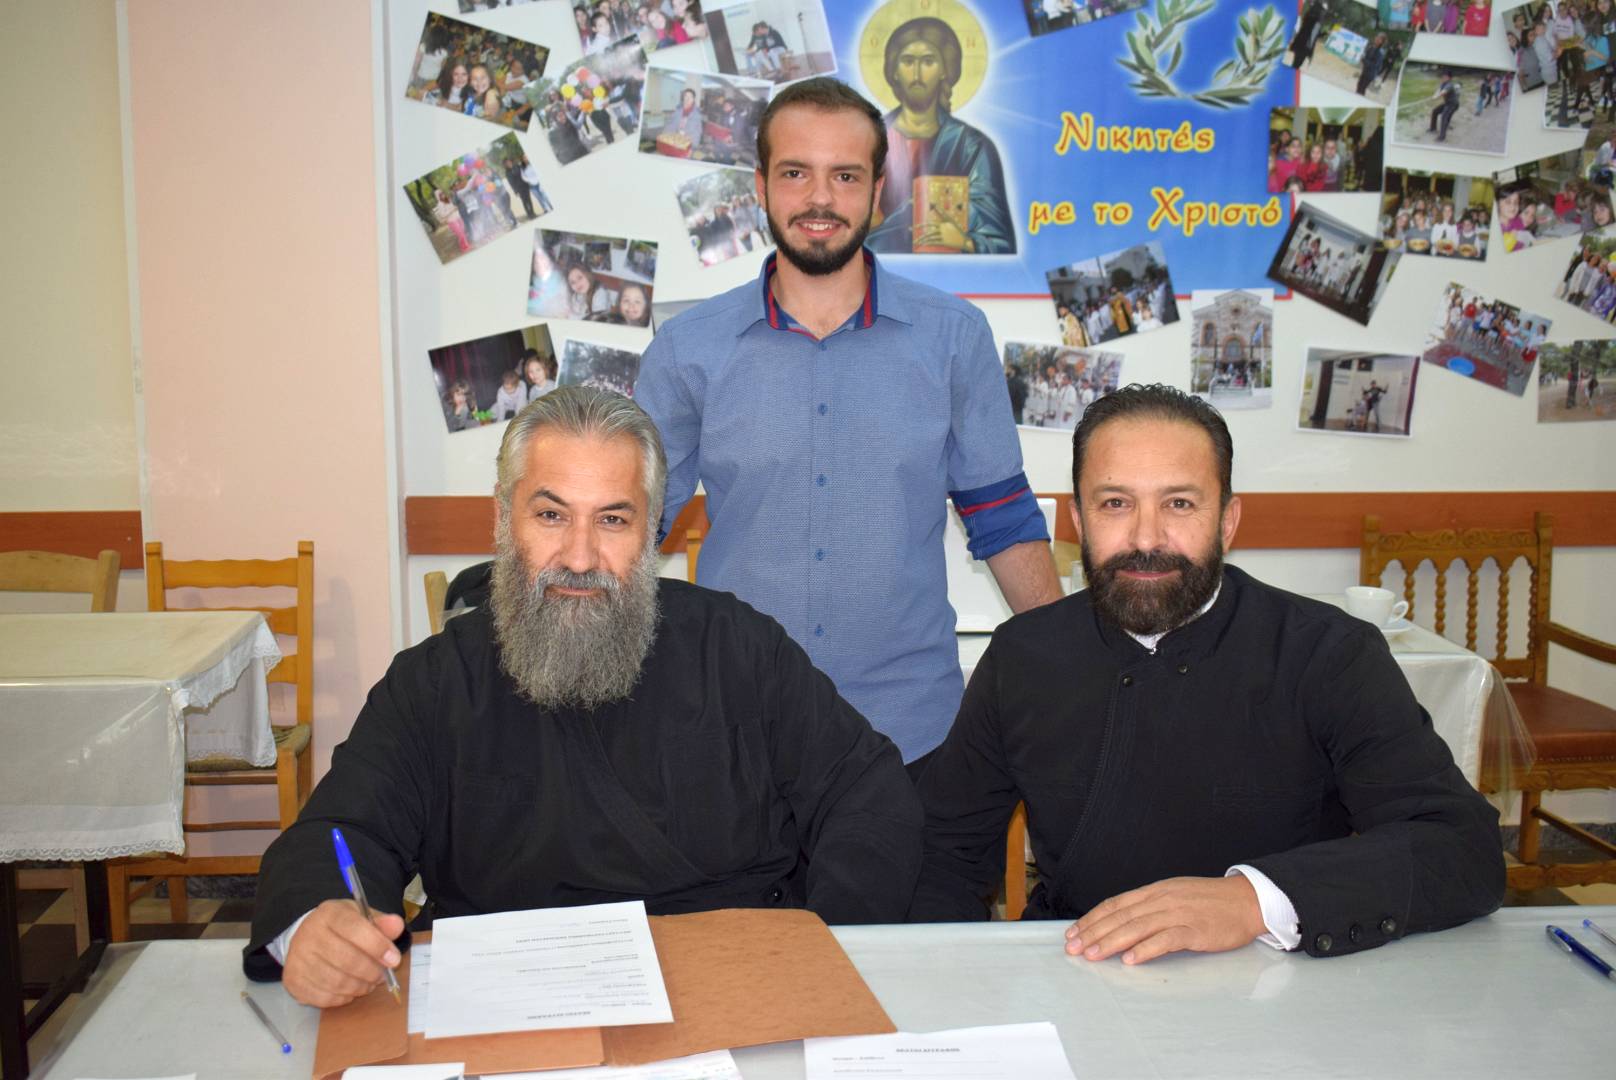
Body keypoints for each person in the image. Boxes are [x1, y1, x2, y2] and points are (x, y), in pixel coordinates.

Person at [246, 388, 922, 1004]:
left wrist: (827, 947)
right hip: (505, 1000)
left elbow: (865, 791)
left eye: (613, 520)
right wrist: (319, 922)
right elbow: (343, 830)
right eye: (550, 515)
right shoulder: (436, 682)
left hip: (731, 983)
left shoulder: (735, 649)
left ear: (652, 530)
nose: (578, 556)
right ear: (504, 517)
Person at [909, 384, 1505, 963]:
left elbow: (1461, 849)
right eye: (1115, 503)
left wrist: (1254, 900)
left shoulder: (1329, 653)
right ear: (1080, 521)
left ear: (1226, 520)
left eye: (1180, 504)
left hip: (1278, 971)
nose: (1146, 538)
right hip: (1077, 963)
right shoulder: (1023, 655)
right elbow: (943, 853)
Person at [636, 78, 1060, 770]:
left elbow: (1002, 517)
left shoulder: (954, 338)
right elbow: (630, 525)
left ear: (878, 190)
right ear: (761, 186)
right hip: (737, 731)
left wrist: (1074, 671)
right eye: (795, 173)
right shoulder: (689, 349)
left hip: (911, 735)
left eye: (845, 175)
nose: (820, 199)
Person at [865, 18, 1017, 255]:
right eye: (908, 61)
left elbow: (997, 238)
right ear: (894, 70)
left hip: (949, 271)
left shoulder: (972, 146)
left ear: (945, 70)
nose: (917, 73)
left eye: (928, 61)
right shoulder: (867, 138)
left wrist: (966, 243)